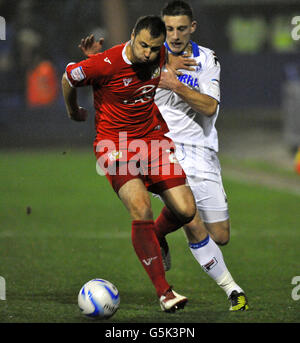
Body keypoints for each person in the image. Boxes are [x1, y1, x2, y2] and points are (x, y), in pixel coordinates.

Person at [77, 3, 249, 312]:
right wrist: (97, 63)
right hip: (156, 144)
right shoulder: (151, 57)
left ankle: (154, 235)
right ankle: (220, 291)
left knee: (216, 232)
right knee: (174, 215)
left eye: (181, 28)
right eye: (169, 29)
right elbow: (117, 75)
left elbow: (210, 107)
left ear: (192, 27)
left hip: (200, 150)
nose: (174, 35)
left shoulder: (204, 60)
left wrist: (175, 83)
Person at [62, 15, 195, 313]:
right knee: (141, 206)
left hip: (152, 140)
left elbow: (164, 65)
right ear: (132, 35)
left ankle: (156, 236)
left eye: (154, 48)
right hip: (115, 145)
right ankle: (165, 292)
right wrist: (73, 111)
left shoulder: (159, 53)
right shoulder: (103, 64)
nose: (148, 53)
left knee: (186, 211)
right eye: (143, 45)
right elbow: (68, 78)